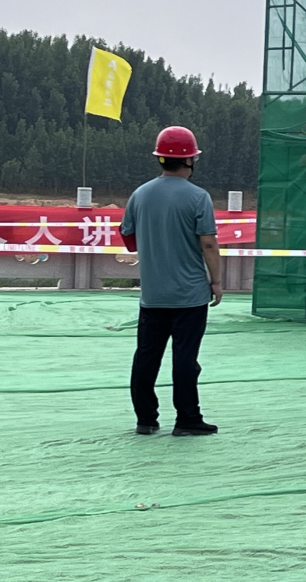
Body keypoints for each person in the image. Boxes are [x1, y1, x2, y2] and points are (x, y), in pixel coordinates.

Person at [122, 126, 223, 437]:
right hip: (190, 296)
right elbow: (208, 243)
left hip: (152, 295)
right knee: (185, 360)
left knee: (146, 357)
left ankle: (145, 419)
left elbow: (128, 239)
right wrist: (216, 281)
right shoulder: (199, 197)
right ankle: (187, 419)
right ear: (190, 159)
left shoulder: (140, 194)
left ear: (160, 158)